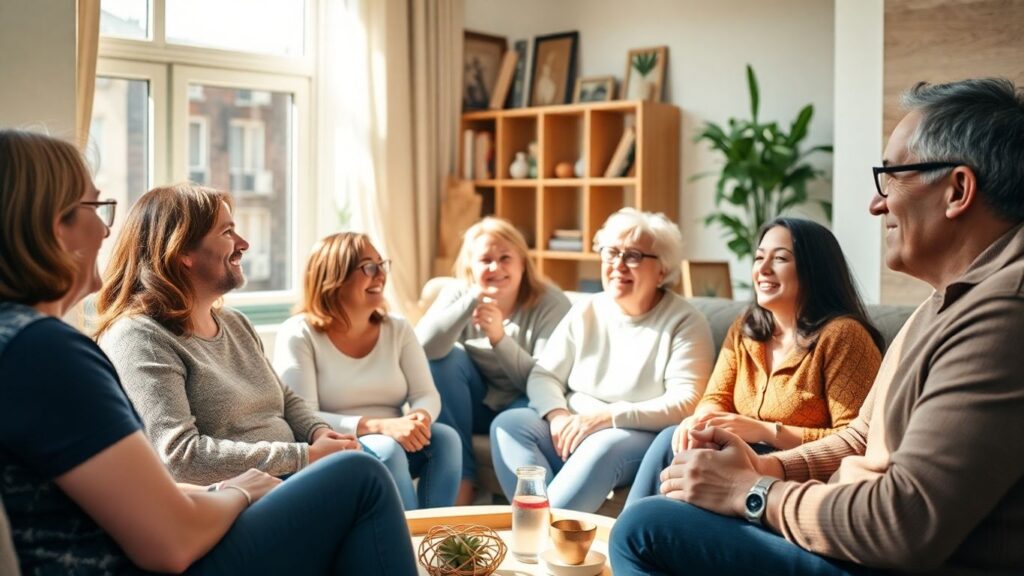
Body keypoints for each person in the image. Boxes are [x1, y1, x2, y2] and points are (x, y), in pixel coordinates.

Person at [610, 78, 1024, 575]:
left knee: (644, 528)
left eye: (891, 177)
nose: (878, 204)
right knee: (671, 456)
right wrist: (762, 466)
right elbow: (858, 443)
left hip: (881, 557)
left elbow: (904, 524)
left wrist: (752, 490)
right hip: (834, 517)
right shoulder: (939, 306)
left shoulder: (1002, 312)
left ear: (957, 189)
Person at [0, 130, 417, 575]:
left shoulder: (29, 343)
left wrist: (309, 441)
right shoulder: (48, 351)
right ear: (50, 224)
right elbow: (171, 527)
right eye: (96, 208)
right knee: (361, 478)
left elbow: (148, 493)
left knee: (358, 475)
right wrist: (243, 489)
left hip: (225, 501)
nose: (106, 228)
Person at [94, 184, 361, 485]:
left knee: (367, 462)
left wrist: (318, 431)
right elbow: (181, 458)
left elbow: (282, 398)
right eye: (227, 233)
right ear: (182, 251)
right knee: (366, 475)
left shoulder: (235, 323)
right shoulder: (140, 338)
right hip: (236, 503)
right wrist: (304, 456)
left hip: (288, 479)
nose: (243, 243)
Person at [625, 217, 883, 505]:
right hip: (737, 457)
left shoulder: (843, 336)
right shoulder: (746, 329)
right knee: (672, 438)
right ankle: (631, 531)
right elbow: (715, 397)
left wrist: (766, 431)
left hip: (793, 477)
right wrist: (701, 422)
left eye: (780, 258)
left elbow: (855, 441)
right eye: (759, 257)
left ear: (814, 270)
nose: (762, 269)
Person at [489, 208, 715, 513]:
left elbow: (686, 402)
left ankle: (538, 533)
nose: (618, 265)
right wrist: (557, 417)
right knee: (509, 424)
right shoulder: (588, 309)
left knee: (602, 445)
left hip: (633, 433)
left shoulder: (686, 322)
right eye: (611, 253)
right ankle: (554, 529)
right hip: (574, 423)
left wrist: (606, 417)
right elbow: (544, 375)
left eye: (633, 256)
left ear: (662, 269)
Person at [273, 232, 461, 510]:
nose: (380, 275)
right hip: (338, 444)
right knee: (387, 449)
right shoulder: (299, 333)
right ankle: (407, 544)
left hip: (396, 437)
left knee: (445, 439)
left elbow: (425, 394)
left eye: (381, 265)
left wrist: (418, 419)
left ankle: (437, 537)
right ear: (334, 277)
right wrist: (379, 426)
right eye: (368, 267)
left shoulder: (397, 328)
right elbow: (303, 415)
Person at [416, 216, 571, 504]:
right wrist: (472, 298)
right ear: (469, 267)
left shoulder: (551, 303)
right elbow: (421, 349)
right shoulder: (460, 293)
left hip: (523, 400)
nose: (495, 268)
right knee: (444, 360)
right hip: (471, 404)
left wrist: (500, 339)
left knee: (522, 405)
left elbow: (545, 379)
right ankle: (464, 478)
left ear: (523, 263)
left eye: (505, 258)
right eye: (485, 260)